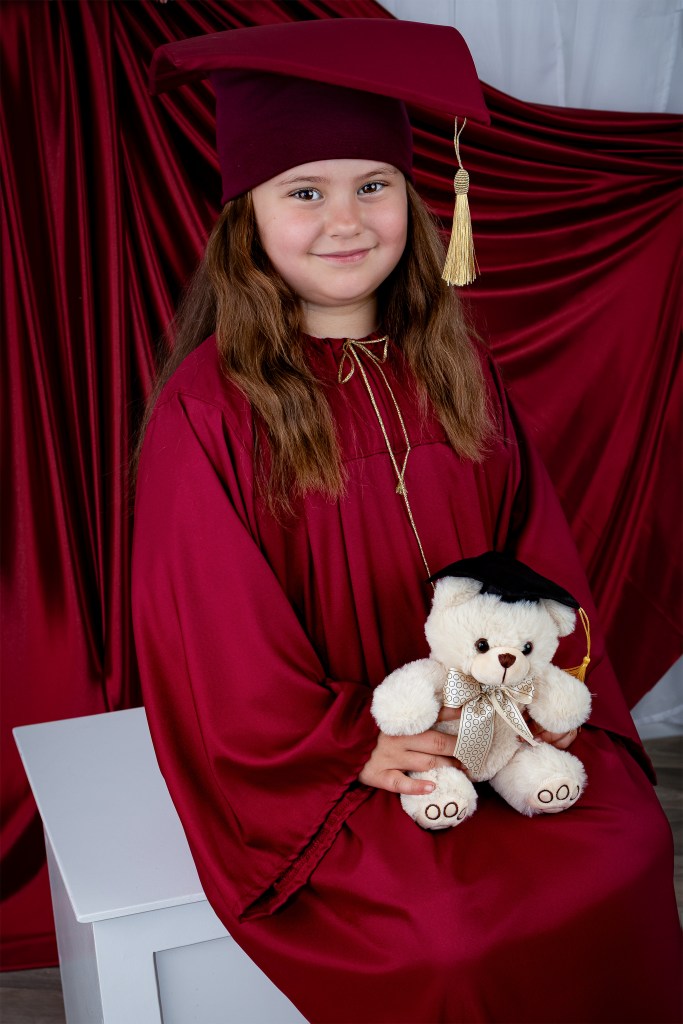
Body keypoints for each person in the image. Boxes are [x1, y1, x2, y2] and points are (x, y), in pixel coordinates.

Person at [132, 19, 682, 1024]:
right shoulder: (209, 409)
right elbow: (213, 638)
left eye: (372, 186)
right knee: (445, 939)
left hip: (496, 713)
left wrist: (536, 684)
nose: (345, 221)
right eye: (304, 192)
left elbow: (535, 553)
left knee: (630, 847)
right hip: (343, 759)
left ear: (418, 204)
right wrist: (350, 743)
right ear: (246, 218)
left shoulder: (456, 365)